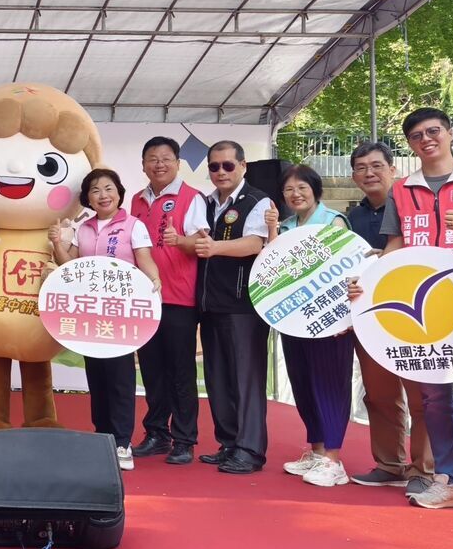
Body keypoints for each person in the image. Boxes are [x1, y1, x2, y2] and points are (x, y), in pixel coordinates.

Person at [356, 108, 453, 527]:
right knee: (435, 399)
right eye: (416, 135)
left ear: (449, 133)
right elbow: (395, 246)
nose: (426, 139)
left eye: (433, 131)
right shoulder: (403, 189)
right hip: (423, 314)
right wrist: (369, 283)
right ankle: (449, 480)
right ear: (410, 144)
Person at [169, 141, 273, 475]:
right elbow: (195, 242)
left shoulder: (257, 200)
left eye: (228, 165)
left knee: (245, 378)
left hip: (243, 304)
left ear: (243, 166)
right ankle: (229, 443)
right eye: (214, 166)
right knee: (217, 377)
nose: (220, 172)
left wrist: (214, 247)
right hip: (210, 303)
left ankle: (250, 450)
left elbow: (255, 243)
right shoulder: (206, 202)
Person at [53, 168, 160, 471]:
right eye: (96, 190)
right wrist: (57, 244)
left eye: (109, 188)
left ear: (119, 193)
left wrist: (155, 281)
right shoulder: (84, 228)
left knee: (120, 379)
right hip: (90, 315)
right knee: (97, 378)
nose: (103, 195)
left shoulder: (134, 225)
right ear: (88, 198)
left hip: (121, 316)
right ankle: (103, 438)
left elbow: (145, 260)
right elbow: (69, 266)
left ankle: (122, 443)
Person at [344, 142, 434, 495]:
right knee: (379, 395)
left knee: (422, 396)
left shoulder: (416, 208)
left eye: (377, 165)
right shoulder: (350, 219)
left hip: (413, 314)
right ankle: (389, 464)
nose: (369, 173)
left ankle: (423, 469)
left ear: (393, 170)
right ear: (354, 176)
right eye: (361, 167)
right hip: (370, 318)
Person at [264, 166, 355, 488]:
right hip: (294, 320)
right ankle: (317, 452)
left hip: (329, 321)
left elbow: (348, 268)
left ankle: (333, 459)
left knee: (330, 385)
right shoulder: (287, 226)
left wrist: (344, 317)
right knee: (303, 384)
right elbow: (271, 269)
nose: (295, 194)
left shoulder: (333, 221)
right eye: (289, 189)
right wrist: (272, 229)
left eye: (302, 187)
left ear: (315, 189)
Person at [128, 136, 208, 465]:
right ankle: (157, 433)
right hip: (145, 298)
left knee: (181, 371)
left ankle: (185, 439)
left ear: (177, 162)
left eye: (165, 158)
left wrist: (180, 240)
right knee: (151, 369)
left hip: (178, 296)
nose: (159, 164)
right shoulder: (136, 200)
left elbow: (202, 243)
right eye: (152, 158)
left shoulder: (192, 197)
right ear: (143, 164)